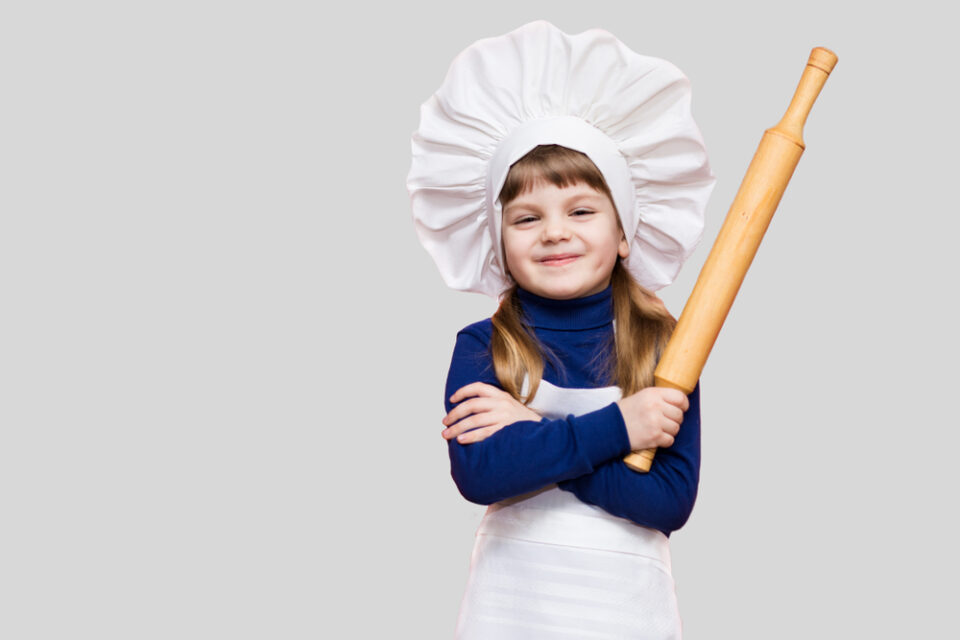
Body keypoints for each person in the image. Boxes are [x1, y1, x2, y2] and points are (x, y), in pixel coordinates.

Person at [408, 22, 715, 639]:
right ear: (498, 242)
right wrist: (619, 429)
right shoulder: (483, 346)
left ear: (625, 231)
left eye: (580, 210)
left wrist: (530, 430)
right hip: (510, 608)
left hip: (628, 609)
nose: (554, 232)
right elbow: (482, 475)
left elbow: (668, 503)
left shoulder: (666, 345)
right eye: (527, 217)